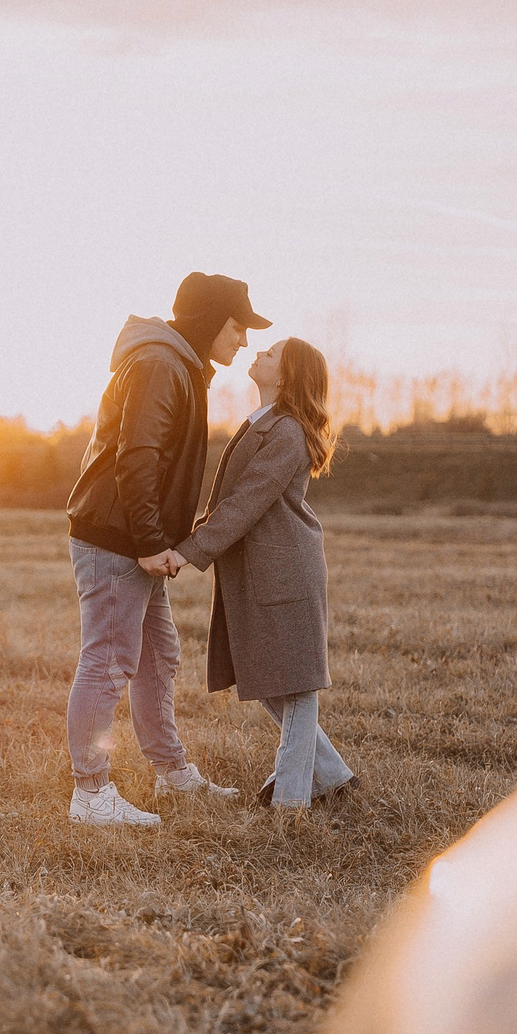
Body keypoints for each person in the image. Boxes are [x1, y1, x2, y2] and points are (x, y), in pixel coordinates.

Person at [61, 272, 266, 827]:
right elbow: (139, 455)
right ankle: (91, 796)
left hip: (133, 540)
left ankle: (172, 774)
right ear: (209, 321)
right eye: (237, 325)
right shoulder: (159, 364)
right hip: (119, 539)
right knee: (108, 662)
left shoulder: (177, 364)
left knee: (158, 656)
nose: (243, 340)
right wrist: (151, 542)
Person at [174, 337, 355, 811]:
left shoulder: (289, 432)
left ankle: (291, 803)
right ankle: (333, 776)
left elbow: (248, 500)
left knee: (295, 686)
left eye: (272, 354)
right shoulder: (264, 423)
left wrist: (191, 549)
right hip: (261, 572)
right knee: (272, 682)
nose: (259, 354)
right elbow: (233, 501)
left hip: (285, 572)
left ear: (288, 375)